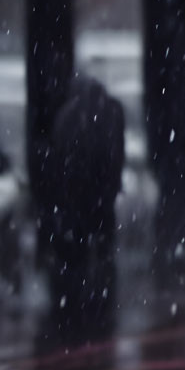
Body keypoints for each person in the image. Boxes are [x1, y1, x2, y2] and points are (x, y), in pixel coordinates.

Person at [48, 72, 125, 337]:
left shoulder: (66, 115)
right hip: (102, 193)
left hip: (77, 195)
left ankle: (76, 300)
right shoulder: (112, 112)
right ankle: (100, 295)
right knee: (102, 246)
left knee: (78, 248)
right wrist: (112, 185)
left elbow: (59, 157)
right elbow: (117, 154)